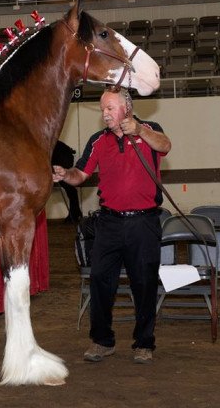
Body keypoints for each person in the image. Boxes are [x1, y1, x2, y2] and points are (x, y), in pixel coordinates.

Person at [52, 87, 171, 365]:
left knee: (144, 283)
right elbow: (80, 174)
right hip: (109, 223)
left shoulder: (150, 129)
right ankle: (102, 341)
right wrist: (64, 174)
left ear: (126, 108)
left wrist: (139, 130)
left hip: (144, 222)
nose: (104, 114)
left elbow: (164, 145)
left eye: (110, 108)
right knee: (100, 282)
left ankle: (144, 343)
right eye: (103, 109)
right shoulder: (98, 140)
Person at [52, 140, 83, 223]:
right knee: (69, 188)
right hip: (62, 155)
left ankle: (74, 213)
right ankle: (76, 212)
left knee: (68, 186)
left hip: (62, 156)